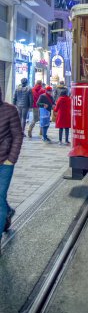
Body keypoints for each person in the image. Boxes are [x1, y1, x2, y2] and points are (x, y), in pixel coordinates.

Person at [0, 86, 23, 254]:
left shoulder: (10, 110)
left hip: (4, 162)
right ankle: (8, 212)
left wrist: (11, 159)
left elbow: (17, 135)